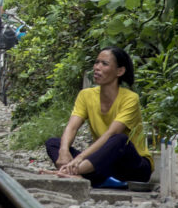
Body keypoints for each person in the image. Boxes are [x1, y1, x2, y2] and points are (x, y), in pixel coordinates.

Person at [43, 47, 153, 187]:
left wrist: (80, 158)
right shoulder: (86, 95)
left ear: (120, 71)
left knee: (120, 140)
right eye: (96, 62)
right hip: (102, 162)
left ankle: (73, 172)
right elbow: (72, 126)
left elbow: (111, 133)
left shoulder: (130, 98)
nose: (97, 67)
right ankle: (81, 175)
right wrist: (64, 151)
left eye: (104, 64)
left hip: (133, 167)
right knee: (54, 143)